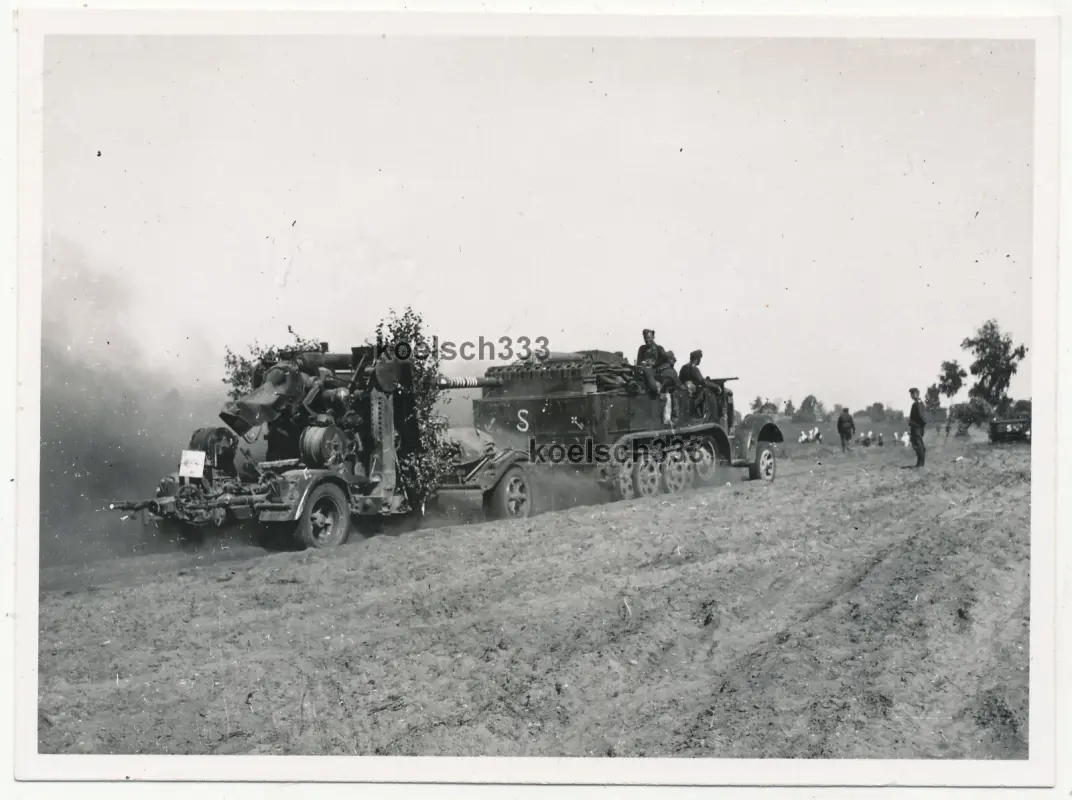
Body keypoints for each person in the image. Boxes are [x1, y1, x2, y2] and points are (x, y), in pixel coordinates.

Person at [635, 329, 665, 398]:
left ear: (653, 337)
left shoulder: (659, 349)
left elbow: (664, 363)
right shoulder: (642, 349)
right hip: (644, 373)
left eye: (649, 338)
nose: (647, 340)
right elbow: (638, 362)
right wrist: (643, 364)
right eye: (645, 338)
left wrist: (653, 364)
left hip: (656, 373)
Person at [908, 387, 927, 467]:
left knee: (918, 444)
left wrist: (920, 424)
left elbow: (920, 415)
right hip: (918, 426)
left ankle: (920, 463)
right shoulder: (920, 402)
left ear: (915, 394)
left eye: (912, 394)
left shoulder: (917, 403)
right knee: (918, 444)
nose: (911, 396)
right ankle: (920, 463)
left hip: (916, 427)